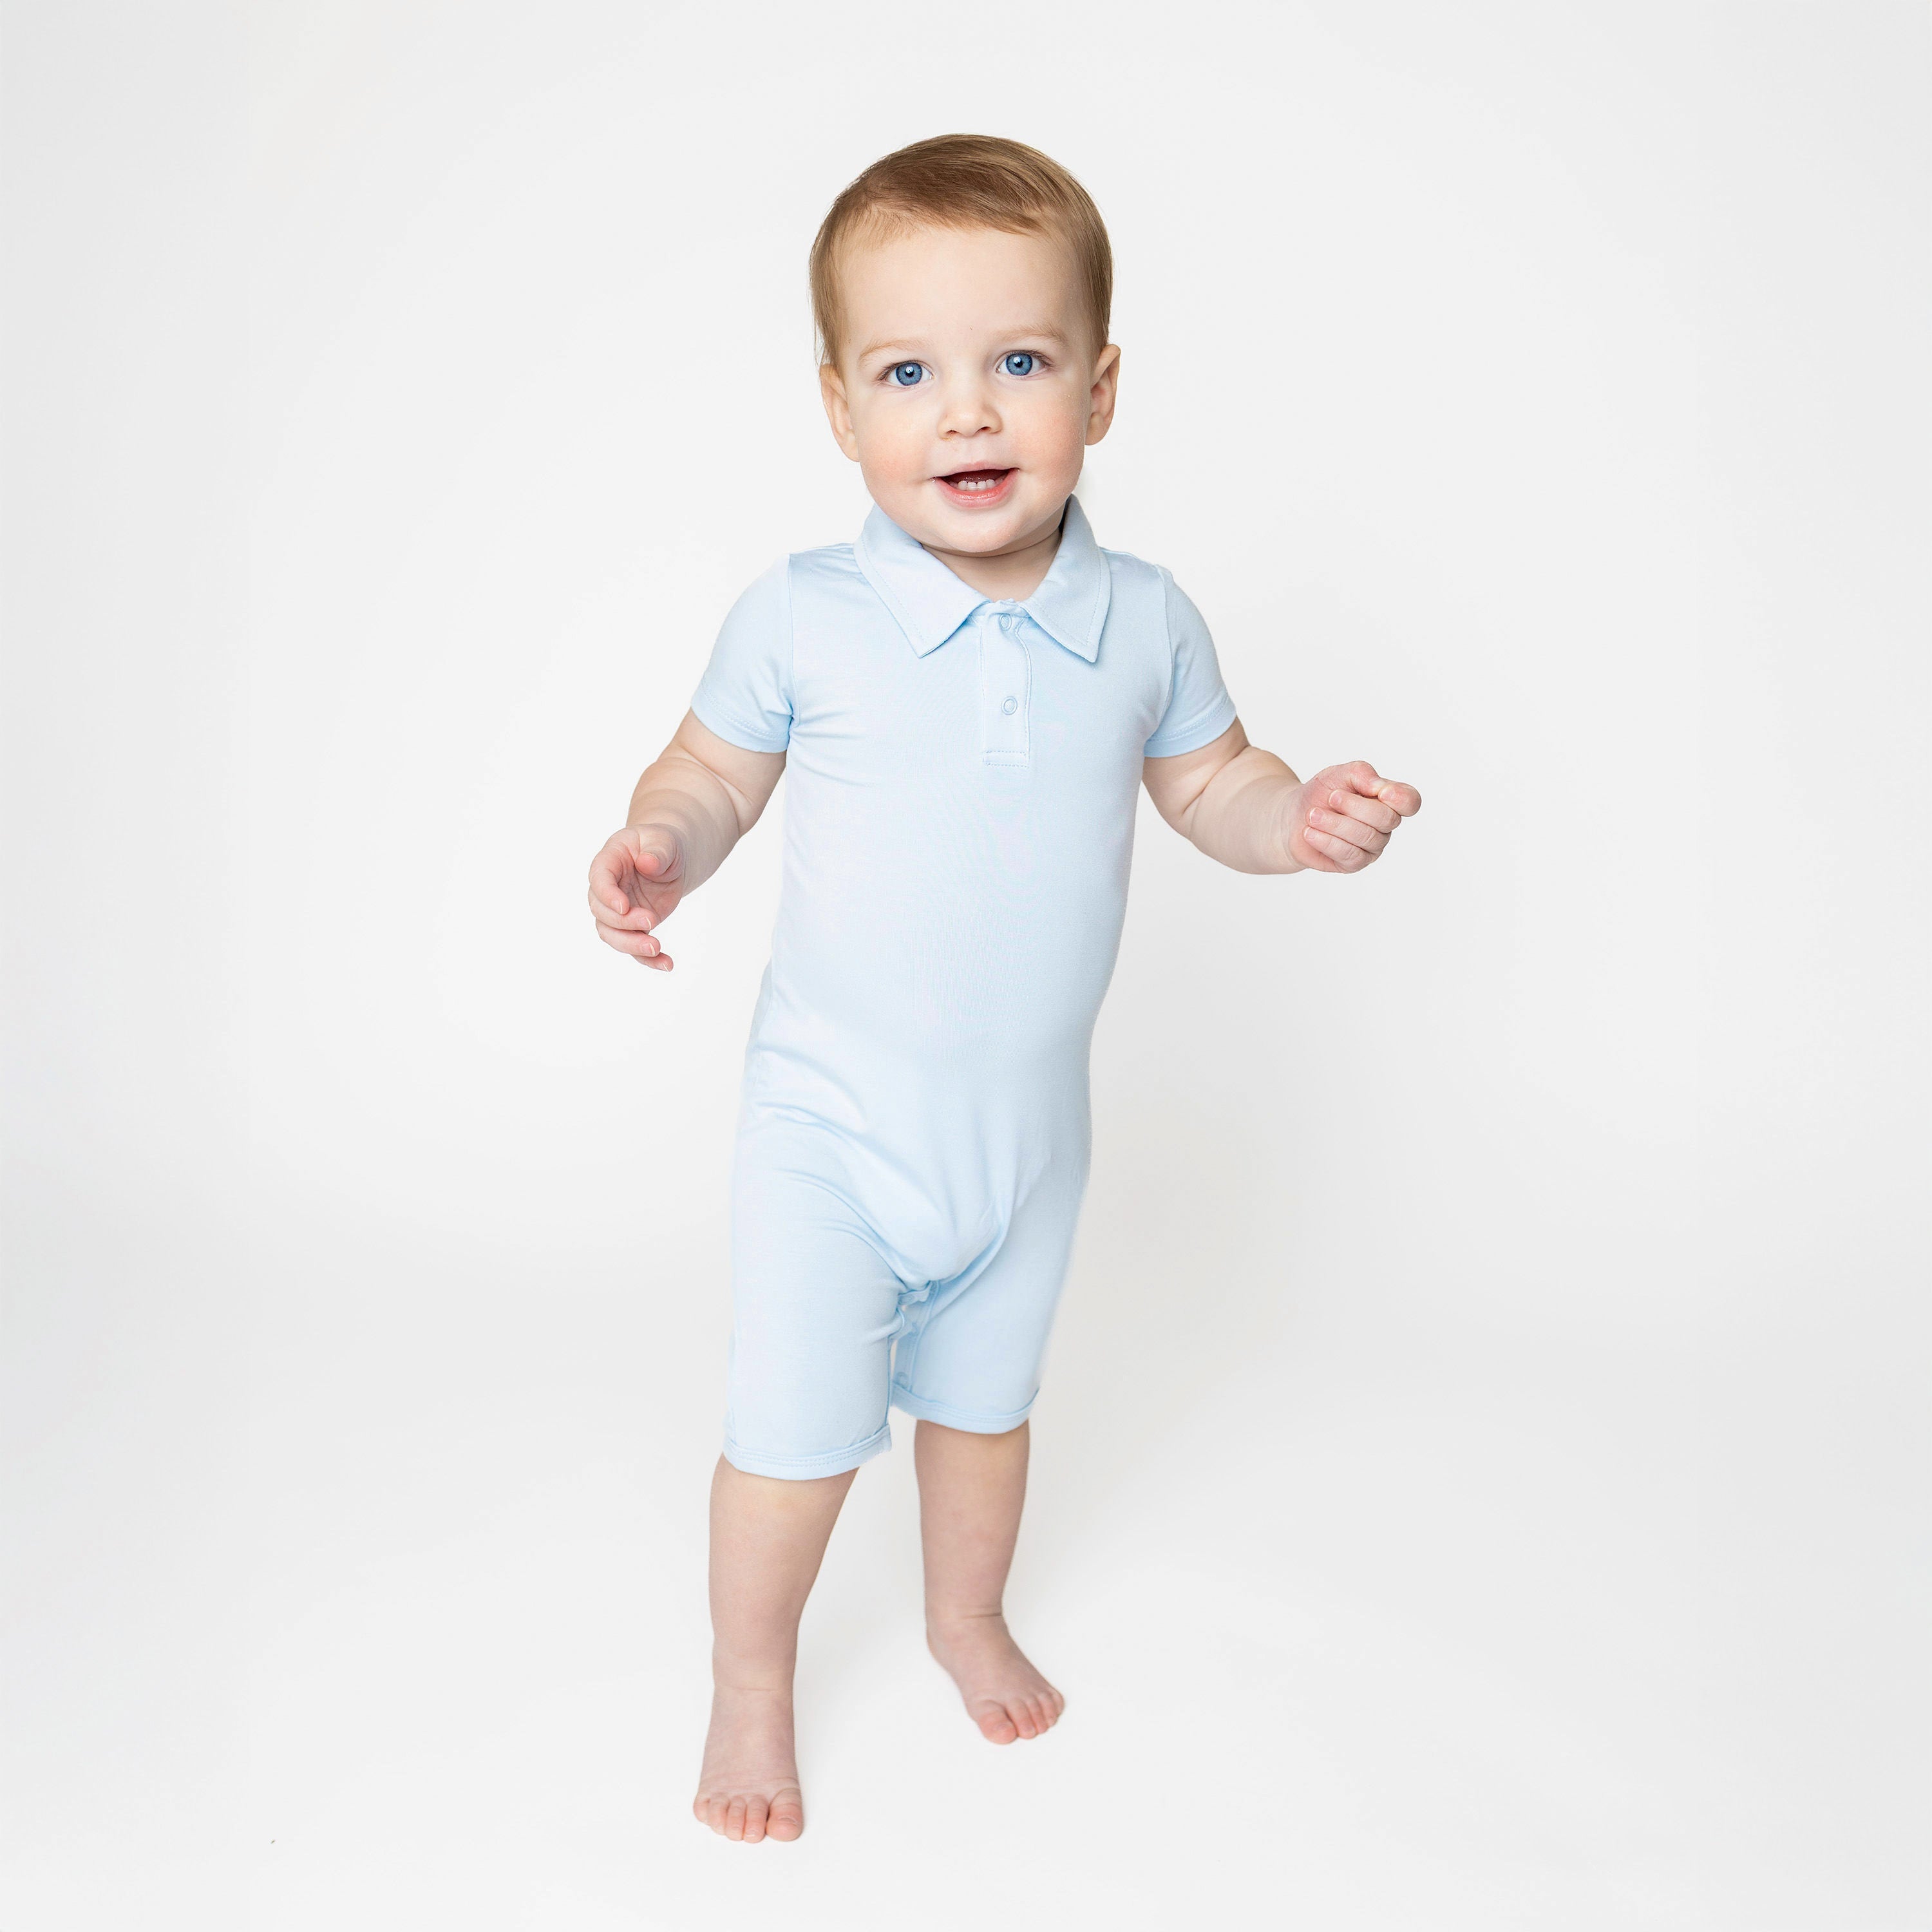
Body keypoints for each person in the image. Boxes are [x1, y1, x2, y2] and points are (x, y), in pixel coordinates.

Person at [585, 134, 1421, 1846]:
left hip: (1028, 1140)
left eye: (1018, 364)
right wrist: (657, 843)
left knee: (985, 1411)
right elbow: (711, 773)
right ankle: (754, 1677)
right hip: (832, 1125)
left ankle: (963, 1616)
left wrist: (1300, 824)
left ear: (1100, 390)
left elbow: (1213, 787)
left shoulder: (1143, 618)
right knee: (801, 1433)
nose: (966, 413)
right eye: (910, 372)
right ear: (839, 408)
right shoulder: (807, 616)